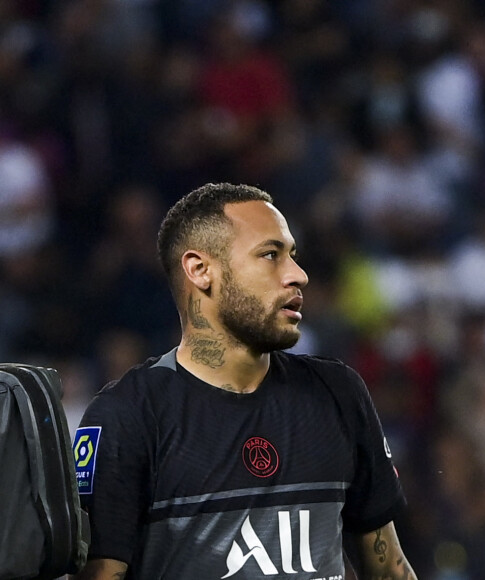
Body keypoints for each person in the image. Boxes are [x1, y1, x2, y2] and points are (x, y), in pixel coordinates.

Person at [71, 182, 418, 580]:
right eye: (270, 255)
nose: (298, 275)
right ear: (201, 271)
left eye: (293, 255)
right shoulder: (128, 416)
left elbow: (390, 568)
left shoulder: (338, 393)